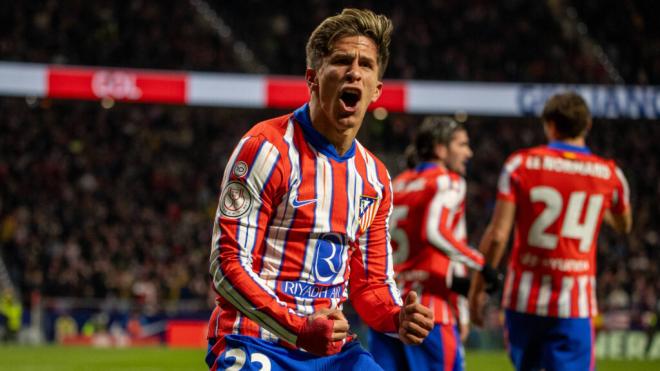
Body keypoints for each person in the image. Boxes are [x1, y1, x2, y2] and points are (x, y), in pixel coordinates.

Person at [205, 8, 434, 371]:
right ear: (312, 78)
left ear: (376, 90)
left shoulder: (374, 178)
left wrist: (396, 317)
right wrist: (298, 328)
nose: (354, 71)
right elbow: (227, 265)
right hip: (253, 340)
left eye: (366, 65)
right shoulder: (266, 148)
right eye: (342, 60)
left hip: (332, 351)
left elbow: (370, 284)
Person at [468, 92, 632, 371]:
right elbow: (623, 225)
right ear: (587, 125)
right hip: (574, 304)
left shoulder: (520, 165)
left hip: (523, 302)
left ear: (550, 125)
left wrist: (476, 292)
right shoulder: (609, 175)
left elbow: (497, 236)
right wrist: (595, 202)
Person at [369, 116, 501, 371]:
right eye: (462, 144)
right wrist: (482, 265)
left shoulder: (396, 184)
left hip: (388, 310)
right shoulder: (448, 181)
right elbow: (437, 231)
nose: (468, 152)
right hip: (429, 312)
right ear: (441, 149)